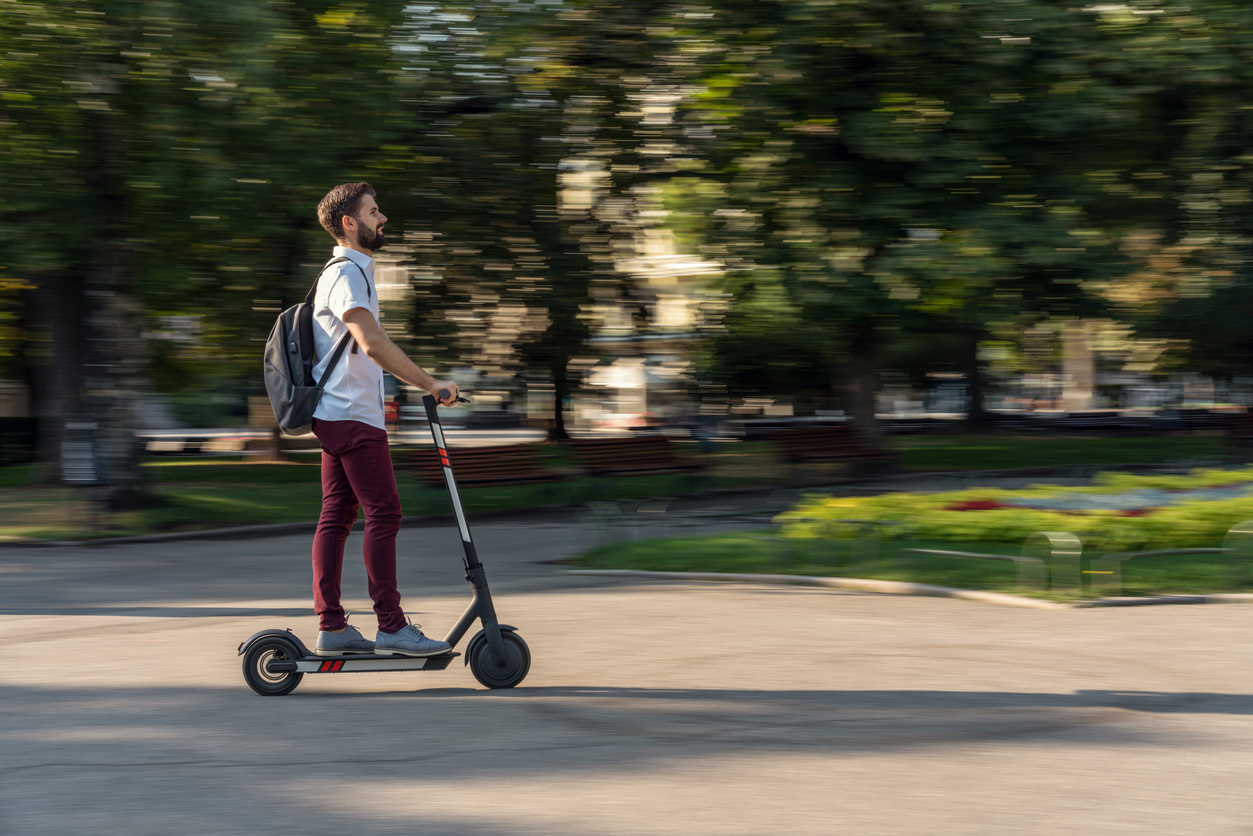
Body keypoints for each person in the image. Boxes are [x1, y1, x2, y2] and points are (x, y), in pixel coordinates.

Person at [308, 182, 460, 658]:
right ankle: (391, 626)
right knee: (384, 512)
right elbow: (372, 343)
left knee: (337, 515)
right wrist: (430, 383)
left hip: (339, 413)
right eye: (374, 212)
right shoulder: (347, 274)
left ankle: (333, 627)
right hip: (352, 416)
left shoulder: (349, 273)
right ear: (349, 223)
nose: (383, 218)